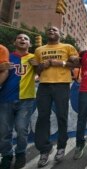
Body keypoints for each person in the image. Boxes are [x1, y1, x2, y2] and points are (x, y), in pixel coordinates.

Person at [34, 26, 78, 168]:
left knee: (62, 116)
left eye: (55, 30)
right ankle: (44, 150)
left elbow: (76, 63)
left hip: (62, 85)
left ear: (60, 34)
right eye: (49, 31)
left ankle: (61, 146)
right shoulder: (39, 50)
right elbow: (36, 69)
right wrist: (43, 65)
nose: (51, 32)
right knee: (42, 117)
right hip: (44, 86)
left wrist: (62, 63)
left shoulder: (67, 47)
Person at [0, 34, 37, 169]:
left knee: (22, 129)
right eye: (19, 38)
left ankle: (21, 153)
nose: (22, 40)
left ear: (30, 44)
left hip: (26, 100)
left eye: (26, 39)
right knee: (4, 131)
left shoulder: (34, 58)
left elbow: (43, 72)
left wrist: (39, 65)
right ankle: (7, 156)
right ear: (14, 42)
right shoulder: (6, 56)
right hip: (5, 99)